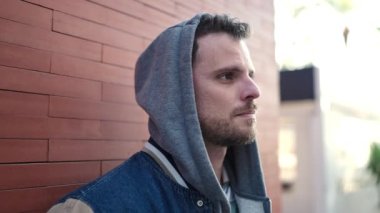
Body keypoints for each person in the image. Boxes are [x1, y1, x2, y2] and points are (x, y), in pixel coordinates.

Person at [48, 13, 271, 213]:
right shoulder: (92, 209)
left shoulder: (247, 197)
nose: (254, 90)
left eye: (250, 75)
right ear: (176, 93)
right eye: (227, 76)